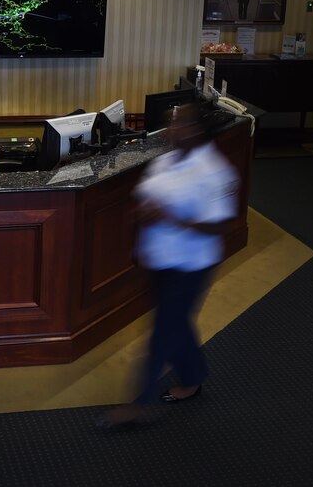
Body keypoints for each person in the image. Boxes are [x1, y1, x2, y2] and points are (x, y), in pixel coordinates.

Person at [99, 102, 239, 428]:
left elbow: (221, 225)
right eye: (171, 123)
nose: (171, 130)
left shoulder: (215, 172)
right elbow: (150, 197)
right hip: (159, 258)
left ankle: (139, 404)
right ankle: (193, 377)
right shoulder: (166, 160)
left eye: (179, 124)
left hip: (191, 264)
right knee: (177, 324)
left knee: (163, 331)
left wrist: (170, 217)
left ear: (197, 130)